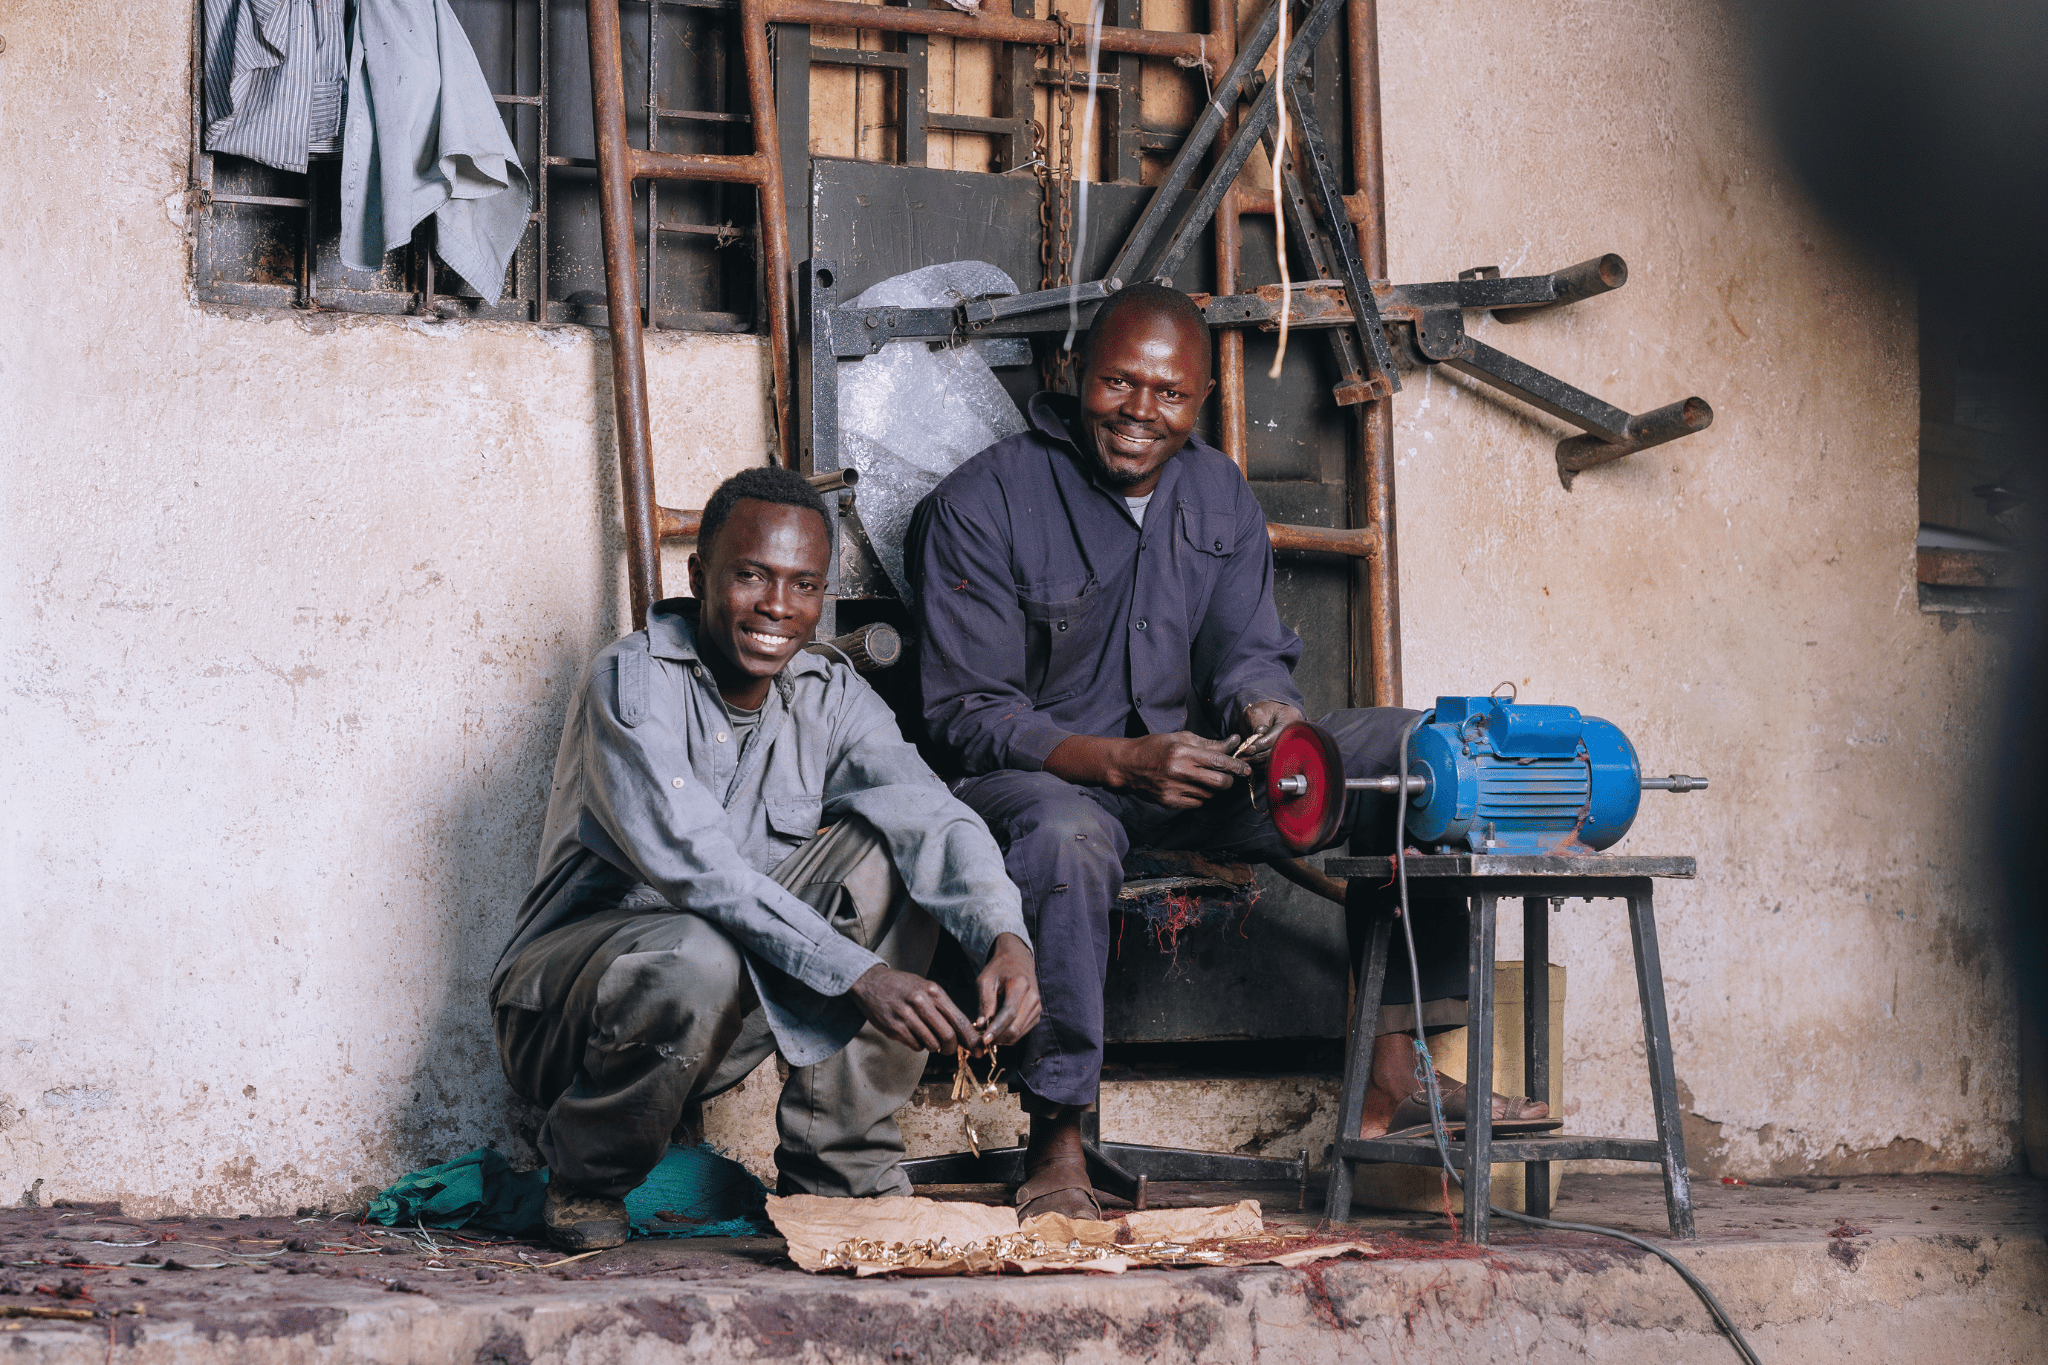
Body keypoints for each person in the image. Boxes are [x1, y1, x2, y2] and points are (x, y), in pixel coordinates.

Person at [907, 284, 1545, 1221]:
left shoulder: (1215, 491)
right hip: (1038, 782)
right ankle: (1057, 1132)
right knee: (1067, 838)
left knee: (1412, 753)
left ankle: (1396, 1068)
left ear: (1199, 399)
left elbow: (1248, 650)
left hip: (1188, 775)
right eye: (1118, 383)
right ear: (1072, 373)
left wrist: (1269, 710)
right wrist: (1121, 762)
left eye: (1169, 394)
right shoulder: (985, 499)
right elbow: (967, 713)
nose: (1139, 413)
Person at [492, 467, 1041, 1251]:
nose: (778, 606)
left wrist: (1005, 938)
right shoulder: (632, 681)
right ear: (700, 577)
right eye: (751, 575)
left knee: (899, 846)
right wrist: (861, 971)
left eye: (803, 584)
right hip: (571, 1013)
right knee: (701, 949)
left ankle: (836, 1175)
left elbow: (933, 816)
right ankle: (585, 1180)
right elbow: (701, 870)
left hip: (729, 1004)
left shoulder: (829, 692)